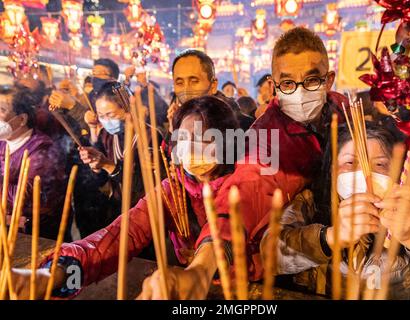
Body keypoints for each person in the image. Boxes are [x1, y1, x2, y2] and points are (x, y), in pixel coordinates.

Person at [8, 96, 242, 300]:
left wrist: (202, 267)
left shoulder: (248, 187)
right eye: (183, 138)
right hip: (185, 288)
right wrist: (53, 275)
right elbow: (120, 236)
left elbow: (227, 229)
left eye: (204, 139)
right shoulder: (173, 190)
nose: (191, 149)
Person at [208, 27, 349, 281]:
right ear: (274, 86)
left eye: (311, 80)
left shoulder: (345, 110)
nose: (300, 91)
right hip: (294, 263)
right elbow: (244, 191)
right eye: (287, 83)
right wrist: (205, 262)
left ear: (328, 80)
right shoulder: (263, 137)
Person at [263, 123, 410, 299]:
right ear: (332, 170)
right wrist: (331, 237)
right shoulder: (311, 203)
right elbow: (270, 257)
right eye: (350, 163)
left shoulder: (406, 212)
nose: (364, 173)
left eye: (380, 164)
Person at [74, 82, 145, 237]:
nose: (106, 121)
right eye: (101, 115)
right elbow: (98, 181)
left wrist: (108, 164)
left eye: (111, 115)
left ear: (128, 109)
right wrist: (96, 166)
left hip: (142, 217)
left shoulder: (149, 136)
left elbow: (143, 186)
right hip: (114, 212)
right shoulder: (106, 135)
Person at [0, 86, 68, 240]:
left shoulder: (42, 150)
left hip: (35, 235)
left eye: (2, 110)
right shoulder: (3, 142)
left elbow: (20, 198)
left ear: (22, 119)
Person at [166, 49, 253, 133]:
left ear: (213, 85)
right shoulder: (180, 121)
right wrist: (172, 130)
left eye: (194, 81)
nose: (186, 89)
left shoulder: (241, 125)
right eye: (180, 83)